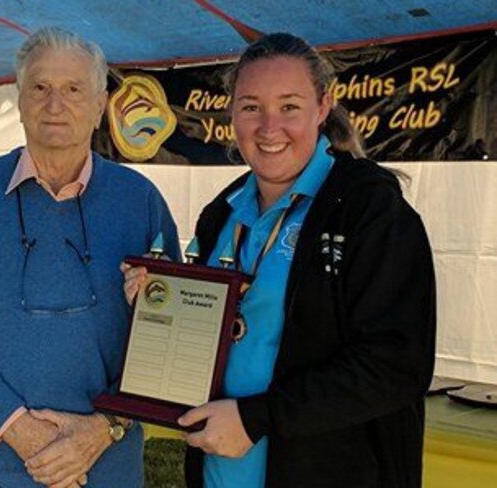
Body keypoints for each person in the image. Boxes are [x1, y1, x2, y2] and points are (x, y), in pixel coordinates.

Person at [123, 32, 436, 488]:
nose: (269, 128)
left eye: (289, 106)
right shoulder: (223, 212)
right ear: (231, 113)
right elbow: (218, 330)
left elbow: (396, 365)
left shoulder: (371, 211)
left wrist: (257, 418)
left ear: (323, 106)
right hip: (222, 472)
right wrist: (160, 305)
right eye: (251, 107)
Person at [0, 27, 179, 488]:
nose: (56, 104)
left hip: (101, 471)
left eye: (74, 89)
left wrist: (103, 429)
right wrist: (24, 434)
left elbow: (171, 341)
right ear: (19, 100)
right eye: (40, 87)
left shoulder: (142, 202)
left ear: (99, 106)